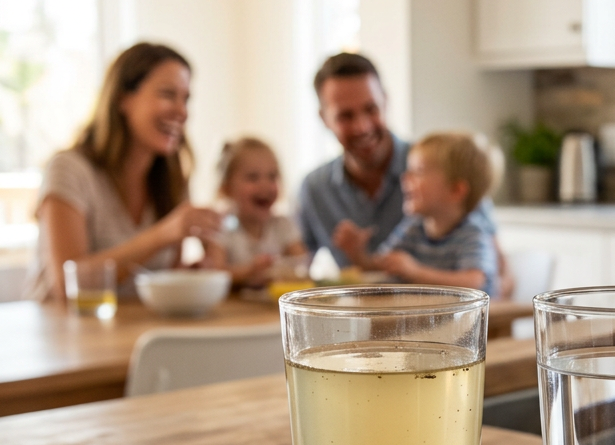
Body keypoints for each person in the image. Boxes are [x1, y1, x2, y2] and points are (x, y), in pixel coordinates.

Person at [296, 52, 513, 296]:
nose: (362, 126)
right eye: (346, 116)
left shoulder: (446, 166)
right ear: (324, 118)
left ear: (386, 102)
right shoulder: (314, 189)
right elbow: (298, 266)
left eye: (371, 109)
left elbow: (499, 277)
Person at [29, 42, 222, 301]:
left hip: (136, 333)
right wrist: (163, 234)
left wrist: (188, 275)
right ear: (122, 99)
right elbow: (67, 286)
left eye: (185, 98)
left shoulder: (173, 180)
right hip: (64, 335)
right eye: (167, 94)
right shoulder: (69, 170)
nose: (182, 111)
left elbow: (152, 281)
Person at [337, 132, 498, 295]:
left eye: (418, 171)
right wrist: (358, 254)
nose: (405, 177)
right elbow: (382, 264)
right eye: (409, 170)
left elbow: (474, 282)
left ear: (456, 190)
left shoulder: (473, 233)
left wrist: (415, 272)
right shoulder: (414, 227)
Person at [212, 136, 306, 288]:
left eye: (272, 176)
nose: (265, 185)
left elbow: (302, 264)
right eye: (253, 177)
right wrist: (248, 272)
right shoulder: (220, 227)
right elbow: (214, 273)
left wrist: (280, 270)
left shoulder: (283, 225)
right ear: (227, 187)